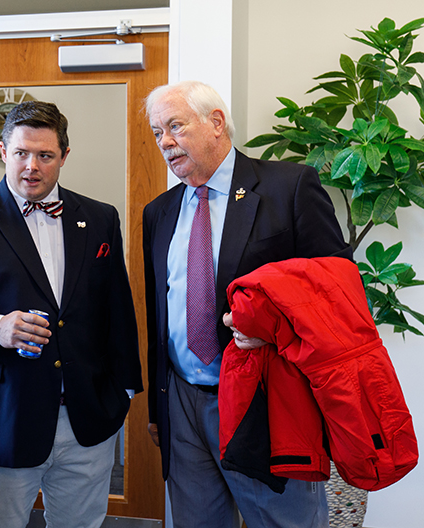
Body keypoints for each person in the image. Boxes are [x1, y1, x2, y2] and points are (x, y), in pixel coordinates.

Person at [142, 80, 353, 527]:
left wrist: (272, 324)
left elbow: (338, 287)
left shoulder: (289, 186)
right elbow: (158, 314)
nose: (164, 142)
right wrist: (157, 410)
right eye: (157, 132)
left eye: (175, 126)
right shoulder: (158, 212)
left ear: (216, 122)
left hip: (267, 400)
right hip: (183, 403)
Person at [0, 100, 143, 528]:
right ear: (2, 151)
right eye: (22, 153)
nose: (32, 166)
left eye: (45, 155)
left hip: (87, 420)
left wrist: (125, 393)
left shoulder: (100, 218)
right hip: (4, 419)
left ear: (64, 157)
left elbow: (117, 307)